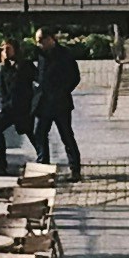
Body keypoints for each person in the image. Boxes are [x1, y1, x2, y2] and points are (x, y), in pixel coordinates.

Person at [33, 28, 84, 180]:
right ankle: (43, 166)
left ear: (51, 38)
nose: (39, 44)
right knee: (40, 133)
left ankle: (75, 169)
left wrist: (63, 91)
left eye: (41, 40)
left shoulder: (64, 55)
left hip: (60, 102)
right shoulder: (41, 55)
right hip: (44, 102)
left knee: (66, 135)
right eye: (37, 41)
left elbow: (75, 77)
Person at [0, 34, 38, 163]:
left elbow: (38, 79)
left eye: (8, 49)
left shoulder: (25, 65)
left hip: (23, 108)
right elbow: (2, 88)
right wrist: (4, 103)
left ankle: (43, 158)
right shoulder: (5, 68)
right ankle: (1, 163)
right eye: (3, 49)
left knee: (30, 133)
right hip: (9, 108)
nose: (5, 52)